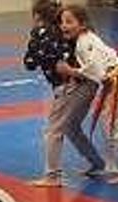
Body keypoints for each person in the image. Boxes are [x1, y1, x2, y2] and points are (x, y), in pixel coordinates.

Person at [56, 5, 118, 185]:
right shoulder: (87, 38)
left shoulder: (84, 43)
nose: (64, 26)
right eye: (62, 22)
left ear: (82, 24)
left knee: (110, 126)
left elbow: (97, 71)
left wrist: (69, 71)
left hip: (117, 81)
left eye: (69, 21)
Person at [24, 0, 103, 187]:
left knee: (53, 130)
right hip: (88, 84)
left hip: (71, 85)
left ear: (36, 17)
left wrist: (35, 50)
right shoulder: (60, 33)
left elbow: (31, 63)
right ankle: (98, 162)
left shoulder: (43, 35)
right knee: (71, 127)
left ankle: (53, 176)